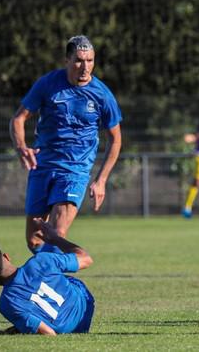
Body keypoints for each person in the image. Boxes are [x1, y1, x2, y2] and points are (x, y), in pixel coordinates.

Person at [10, 36, 122, 253]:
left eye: (90, 60)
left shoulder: (102, 95)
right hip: (42, 166)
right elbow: (18, 118)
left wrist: (101, 180)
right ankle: (48, 278)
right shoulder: (47, 84)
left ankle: (54, 283)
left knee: (56, 234)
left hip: (75, 170)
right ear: (67, 60)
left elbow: (115, 139)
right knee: (35, 241)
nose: (85, 67)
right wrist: (21, 147)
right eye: (79, 60)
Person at [0, 219, 95, 335]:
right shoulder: (41, 260)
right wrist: (56, 239)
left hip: (71, 330)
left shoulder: (7, 303)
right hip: (84, 306)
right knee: (54, 273)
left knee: (26, 310)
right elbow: (86, 260)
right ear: (7, 257)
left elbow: (48, 333)